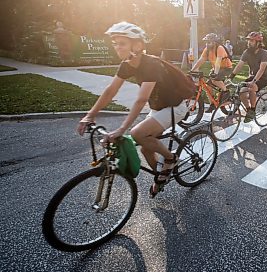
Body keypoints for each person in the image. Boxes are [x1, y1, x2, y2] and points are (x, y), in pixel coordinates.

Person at [76, 22, 194, 198]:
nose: (117, 47)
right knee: (146, 148)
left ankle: (171, 159)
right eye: (115, 43)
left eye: (122, 43)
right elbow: (110, 90)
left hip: (175, 107)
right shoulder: (128, 63)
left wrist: (122, 129)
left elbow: (141, 99)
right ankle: (163, 176)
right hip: (158, 107)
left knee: (138, 133)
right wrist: (89, 115)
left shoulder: (151, 64)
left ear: (137, 45)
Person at [229, 31, 267, 123]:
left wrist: (254, 81)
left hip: (264, 77)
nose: (249, 43)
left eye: (251, 41)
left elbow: (262, 69)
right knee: (241, 91)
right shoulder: (247, 52)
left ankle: (252, 110)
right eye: (249, 41)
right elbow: (239, 65)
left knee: (252, 88)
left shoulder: (264, 53)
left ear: (258, 43)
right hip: (253, 76)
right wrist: (231, 77)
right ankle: (248, 110)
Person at [191, 33, 232, 111]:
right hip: (216, 68)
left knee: (214, 80)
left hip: (226, 68)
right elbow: (201, 60)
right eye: (206, 42)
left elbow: (218, 61)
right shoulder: (207, 49)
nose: (207, 44)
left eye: (209, 42)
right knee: (208, 86)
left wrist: (215, 73)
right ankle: (212, 104)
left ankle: (226, 92)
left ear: (214, 42)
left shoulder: (219, 48)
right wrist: (193, 69)